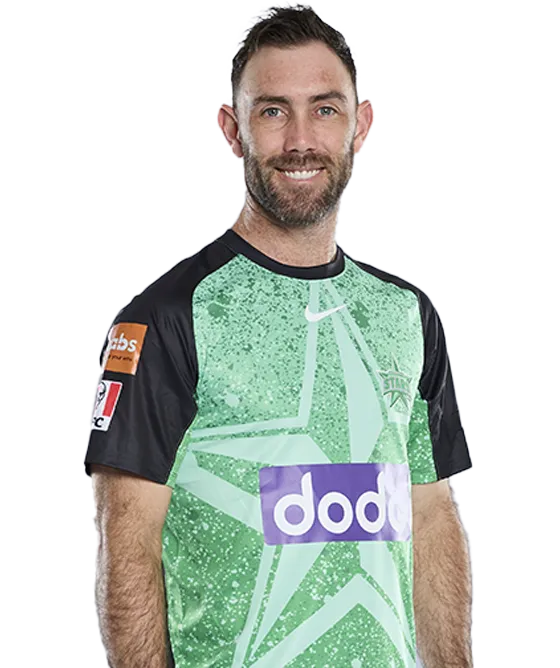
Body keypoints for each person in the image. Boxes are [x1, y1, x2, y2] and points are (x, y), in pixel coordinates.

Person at [84, 4, 474, 667]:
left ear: (360, 125)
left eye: (324, 109)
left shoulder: (406, 314)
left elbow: (431, 515)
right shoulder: (167, 318)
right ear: (232, 130)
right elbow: (127, 540)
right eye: (272, 111)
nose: (300, 139)